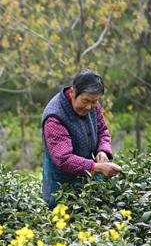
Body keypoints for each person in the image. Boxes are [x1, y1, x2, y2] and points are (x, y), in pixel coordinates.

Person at [41, 69, 122, 207]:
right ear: (72, 93)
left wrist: (102, 151)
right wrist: (97, 167)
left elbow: (102, 130)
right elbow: (64, 158)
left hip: (87, 179)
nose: (89, 106)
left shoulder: (92, 103)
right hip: (61, 187)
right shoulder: (55, 118)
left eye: (94, 102)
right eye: (85, 101)